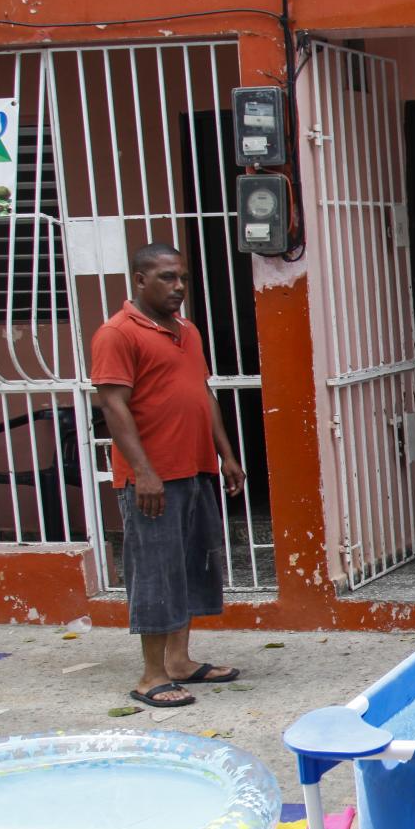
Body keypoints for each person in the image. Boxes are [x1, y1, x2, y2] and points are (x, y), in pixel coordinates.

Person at [91, 243, 247, 709]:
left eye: (182, 278)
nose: (178, 287)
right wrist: (144, 472)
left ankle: (179, 662)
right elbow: (113, 405)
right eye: (167, 278)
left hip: (194, 468)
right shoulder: (117, 333)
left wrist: (226, 454)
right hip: (152, 479)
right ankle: (151, 676)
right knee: (156, 574)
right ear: (140, 280)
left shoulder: (187, 331)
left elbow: (202, 393)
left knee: (190, 568)